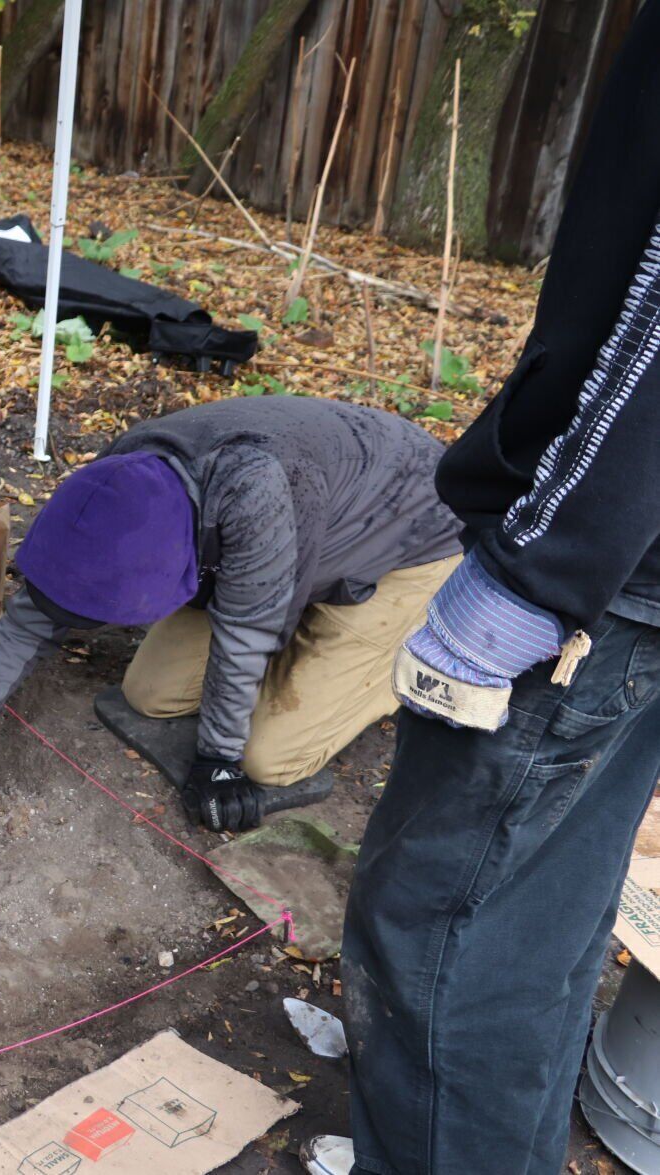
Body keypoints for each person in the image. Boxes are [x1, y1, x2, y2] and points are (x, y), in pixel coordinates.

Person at [315, 6, 660, 1172]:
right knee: (538, 930)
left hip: (598, 580)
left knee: (436, 941)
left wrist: (535, 572)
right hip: (631, 580)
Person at [0, 396, 462, 833]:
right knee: (149, 695)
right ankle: (293, 627)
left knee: (268, 758)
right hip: (296, 533)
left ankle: (408, 643)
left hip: (407, 543)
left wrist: (219, 761)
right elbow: (32, 618)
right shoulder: (121, 475)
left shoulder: (255, 492)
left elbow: (243, 639)